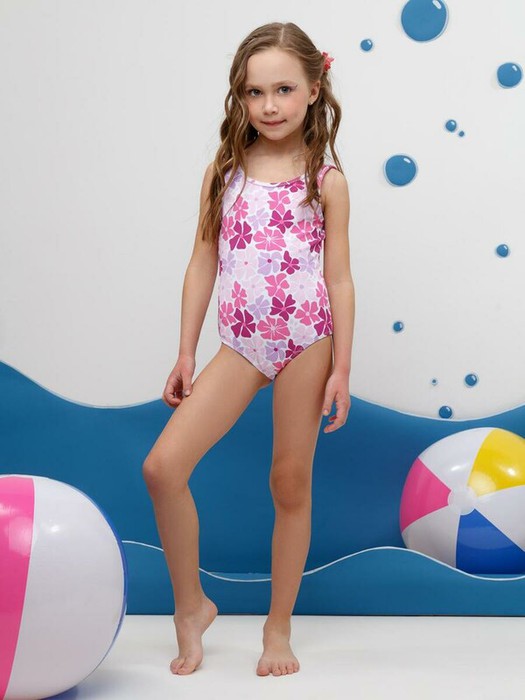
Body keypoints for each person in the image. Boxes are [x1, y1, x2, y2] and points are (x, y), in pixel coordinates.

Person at [142, 21, 355, 678]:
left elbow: (339, 278)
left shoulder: (326, 180)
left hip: (306, 341)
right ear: (239, 96)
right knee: (162, 468)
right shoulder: (225, 173)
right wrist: (186, 352)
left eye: (283, 89)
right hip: (241, 343)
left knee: (288, 483)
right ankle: (191, 607)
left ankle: (277, 627)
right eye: (253, 92)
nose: (268, 105)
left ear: (313, 89)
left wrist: (342, 367)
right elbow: (202, 260)